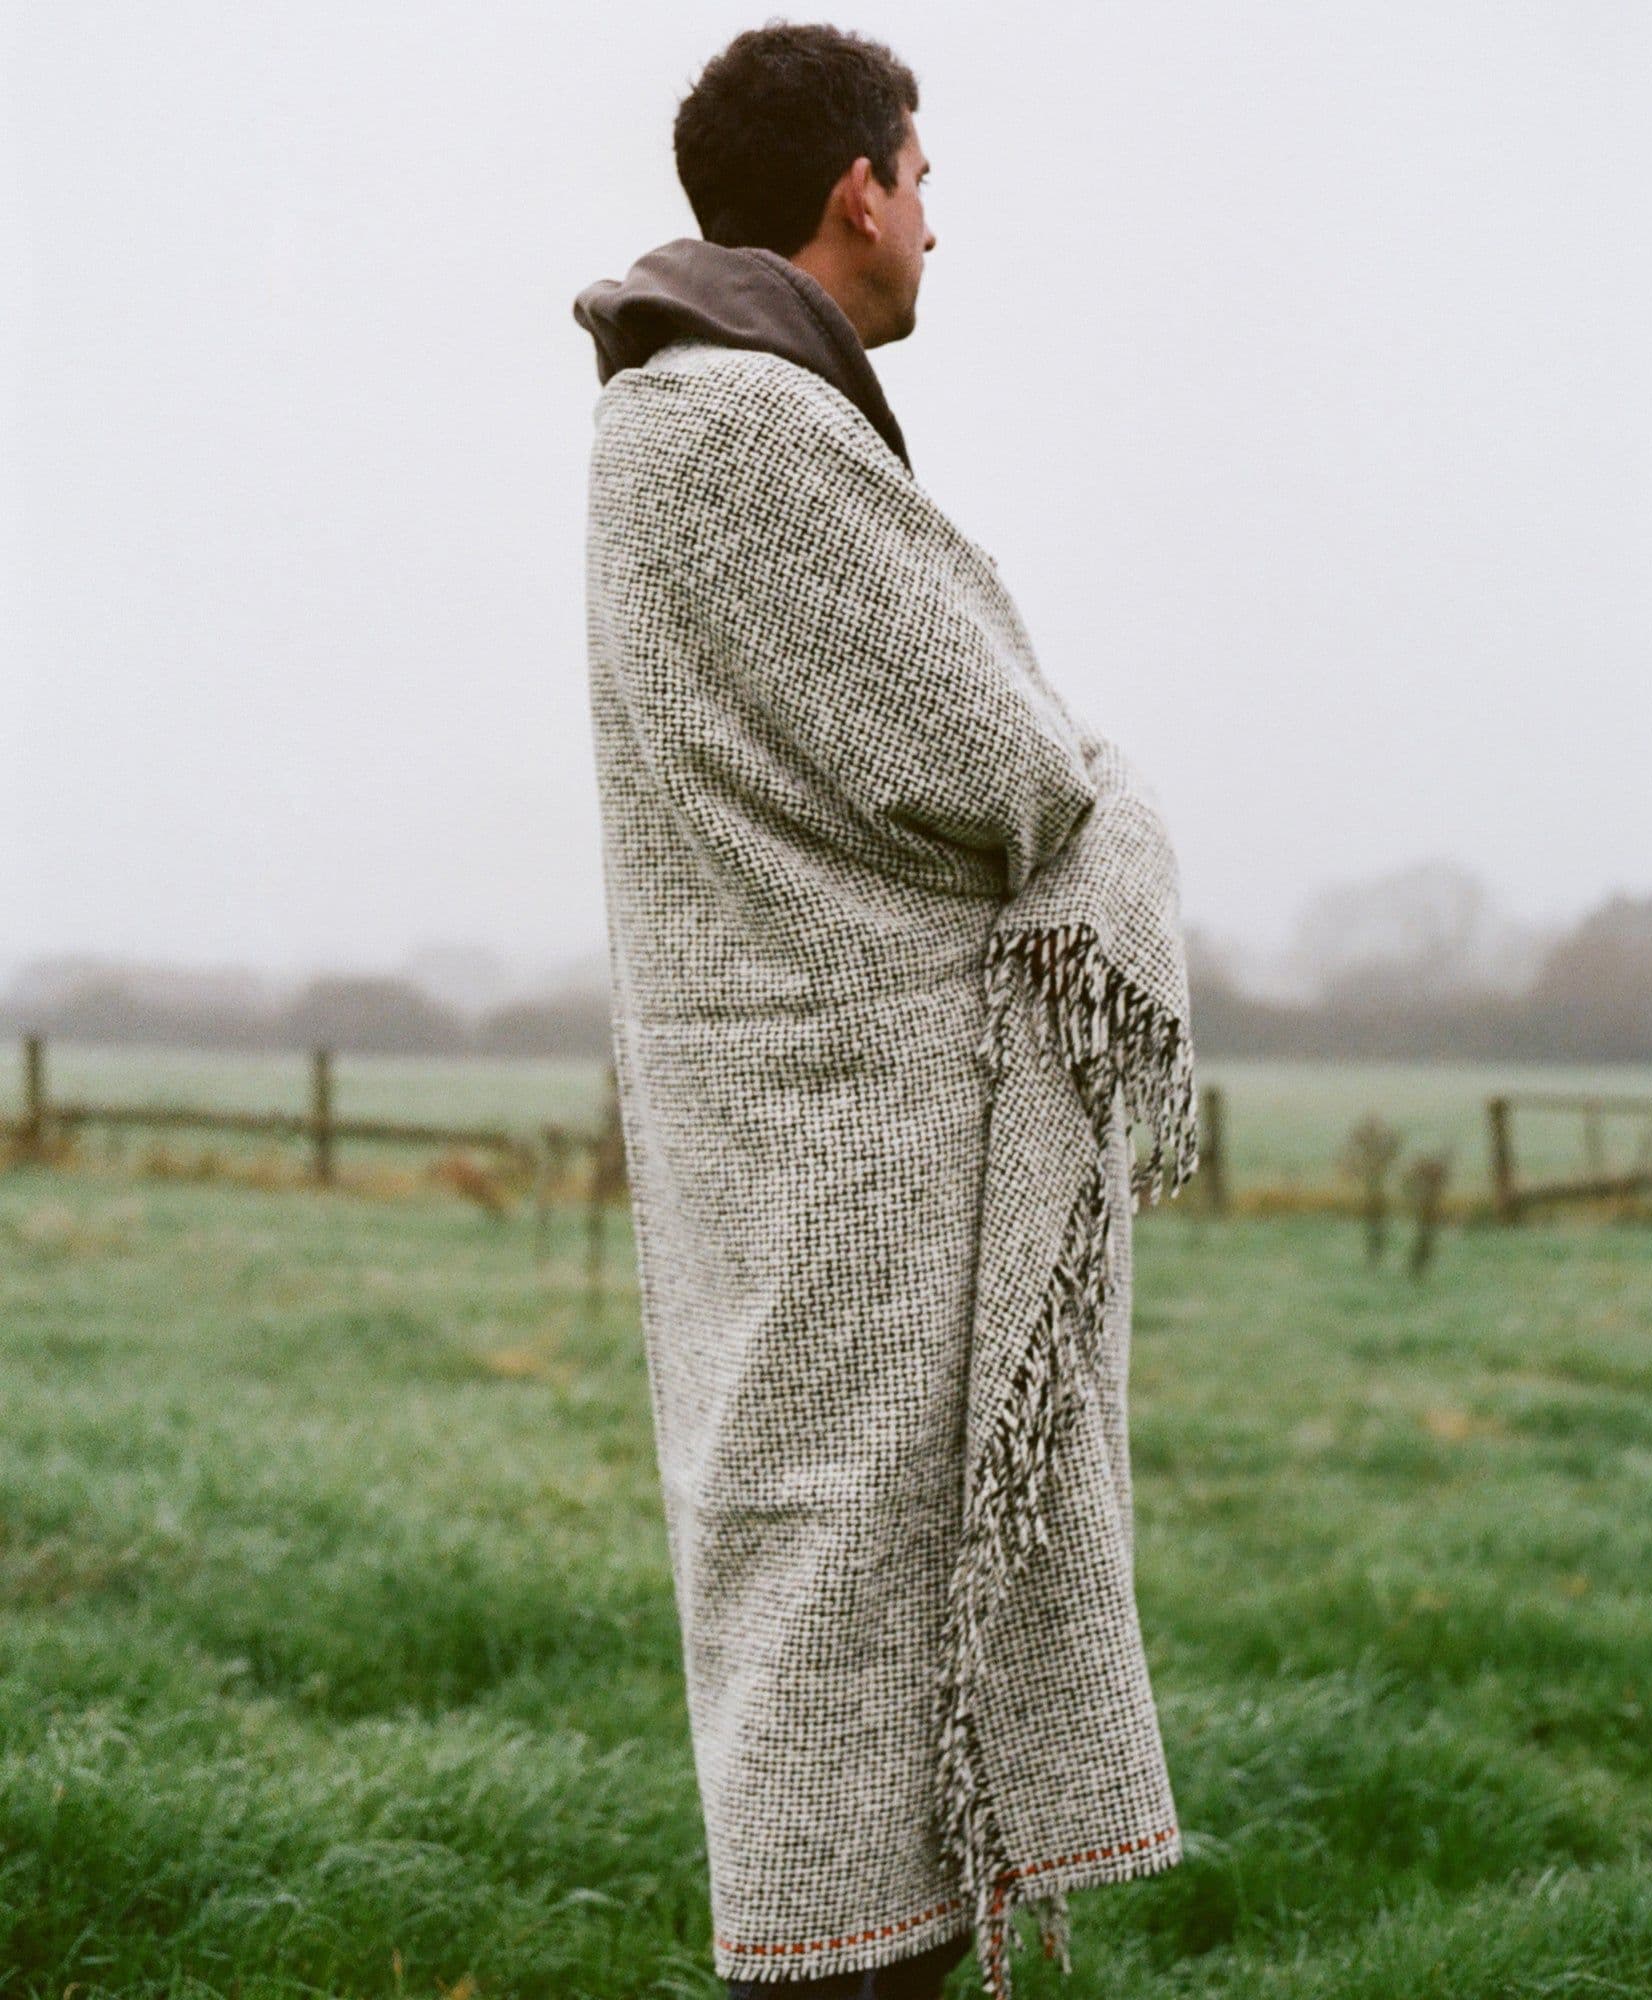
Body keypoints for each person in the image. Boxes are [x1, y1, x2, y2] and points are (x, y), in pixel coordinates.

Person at [573, 24, 1197, 2000]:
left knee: (841, 1628)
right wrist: (1122, 803)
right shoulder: (744, 428)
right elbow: (1010, 769)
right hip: (859, 1158)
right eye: (924, 181)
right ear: (859, 187)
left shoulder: (689, 414)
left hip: (806, 1141)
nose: (937, 223)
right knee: (850, 1635)